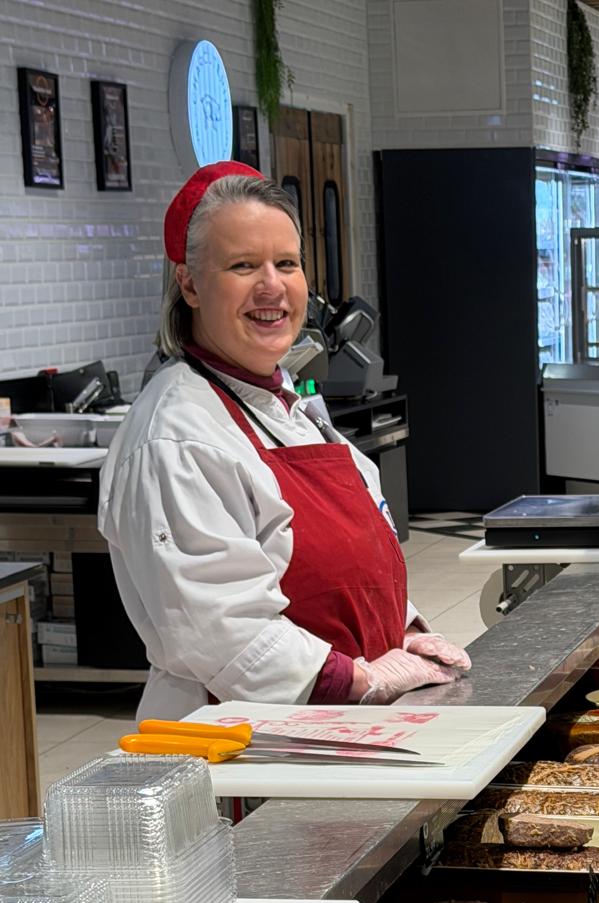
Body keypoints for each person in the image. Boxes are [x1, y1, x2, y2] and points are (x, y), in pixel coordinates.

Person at [100, 161, 470, 720]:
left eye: (287, 263)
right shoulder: (174, 436)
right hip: (251, 747)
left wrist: (404, 631)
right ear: (190, 284)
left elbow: (348, 564)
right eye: (243, 265)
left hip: (342, 726)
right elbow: (223, 631)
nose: (272, 285)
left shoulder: (283, 404)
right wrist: (361, 678)